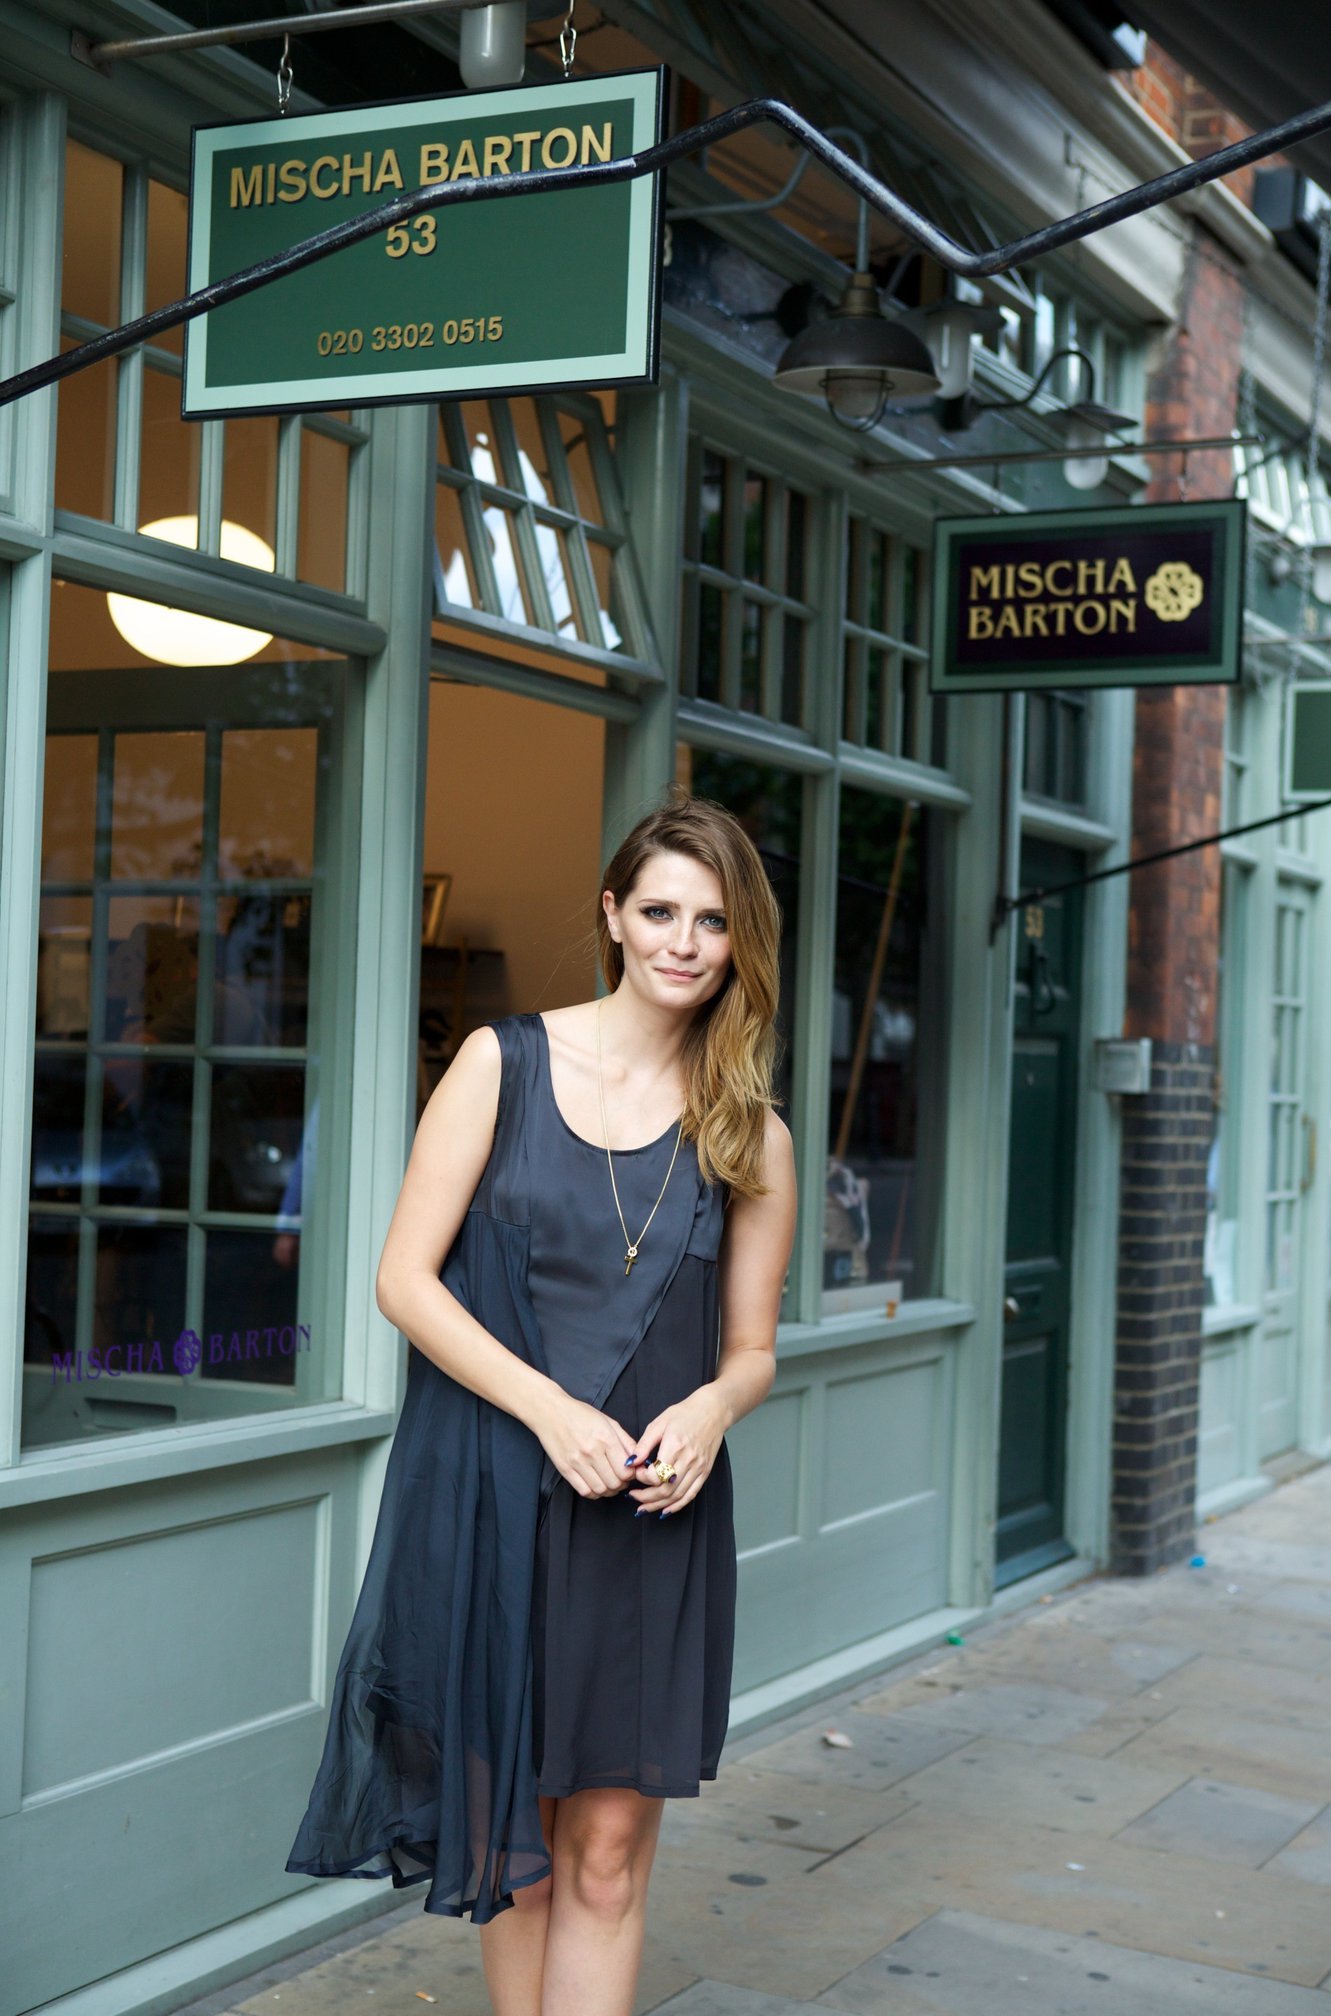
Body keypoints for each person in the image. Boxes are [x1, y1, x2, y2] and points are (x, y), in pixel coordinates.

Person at [284, 786, 798, 2016]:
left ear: (741, 943)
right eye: (660, 912)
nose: (684, 943)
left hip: (649, 1526)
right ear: (612, 915)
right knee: (508, 1848)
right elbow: (403, 1280)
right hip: (494, 1499)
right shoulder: (498, 1065)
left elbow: (751, 1349)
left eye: (713, 921)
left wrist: (714, 1410)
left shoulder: (752, 1134)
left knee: (605, 1855)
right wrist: (549, 1412)